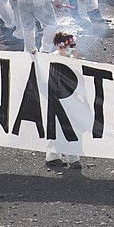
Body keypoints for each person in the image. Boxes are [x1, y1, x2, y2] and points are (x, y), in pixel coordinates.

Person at [45, 32, 85, 169]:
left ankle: (66, 157)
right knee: (57, 128)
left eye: (74, 45)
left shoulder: (74, 60)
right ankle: (59, 157)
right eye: (70, 45)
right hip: (55, 100)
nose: (73, 48)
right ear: (60, 46)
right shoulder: (50, 59)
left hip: (70, 100)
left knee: (71, 129)